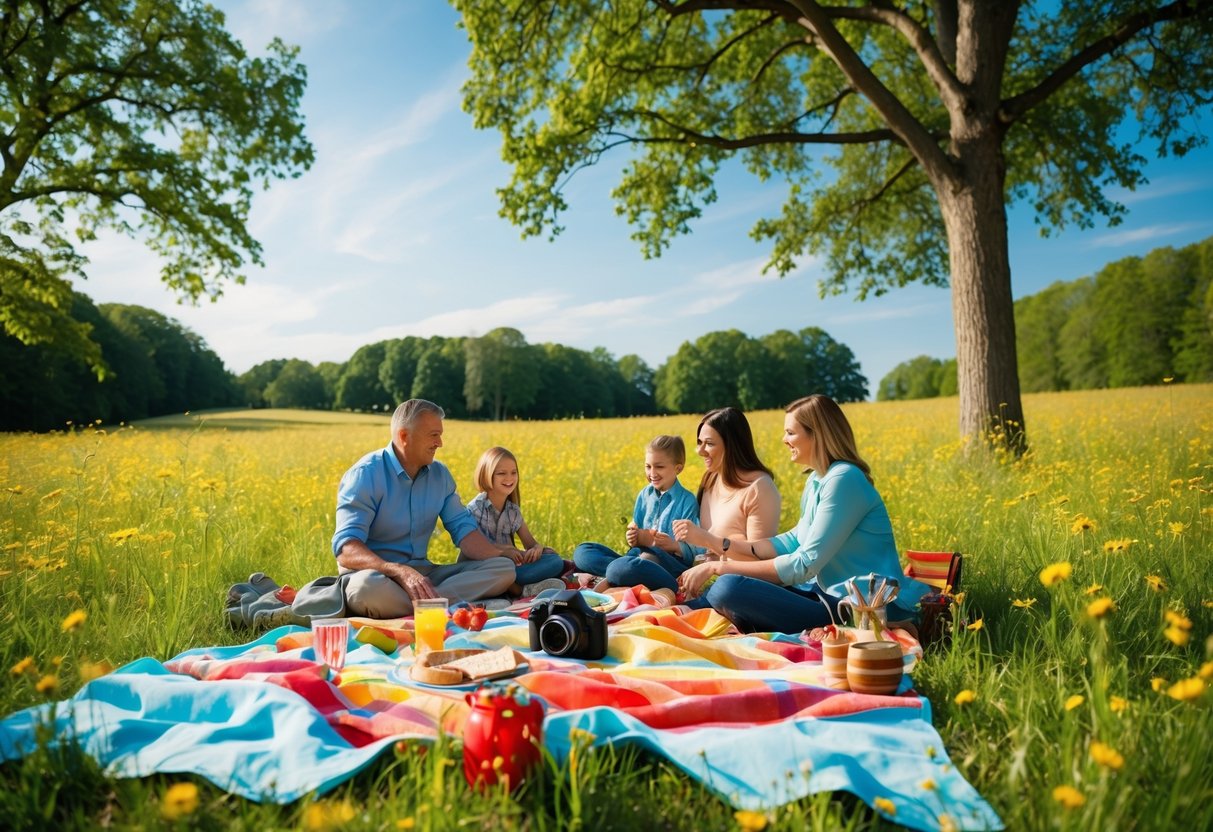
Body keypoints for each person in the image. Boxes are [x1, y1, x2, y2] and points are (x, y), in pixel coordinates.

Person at [674, 394, 931, 633]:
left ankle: (898, 625)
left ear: (816, 435)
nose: (784, 440)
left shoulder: (845, 479)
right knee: (722, 592)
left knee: (728, 588)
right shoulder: (818, 479)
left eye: (790, 432)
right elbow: (793, 541)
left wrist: (720, 567)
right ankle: (680, 613)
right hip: (821, 593)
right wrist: (721, 545)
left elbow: (804, 564)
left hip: (857, 606)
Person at [332, 399, 517, 618]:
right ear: (404, 436)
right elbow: (346, 549)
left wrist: (504, 553)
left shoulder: (440, 476)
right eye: (433, 435)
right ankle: (439, 604)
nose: (440, 443)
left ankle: (422, 605)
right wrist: (398, 571)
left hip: (424, 575)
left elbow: (464, 530)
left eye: (440, 435)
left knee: (503, 569)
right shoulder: (365, 475)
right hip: (375, 576)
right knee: (365, 590)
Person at [571, 435, 701, 593]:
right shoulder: (644, 495)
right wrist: (632, 537)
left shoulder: (687, 500)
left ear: (678, 468)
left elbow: (695, 551)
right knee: (582, 552)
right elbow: (636, 531)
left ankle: (617, 575)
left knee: (643, 561)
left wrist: (673, 545)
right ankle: (619, 573)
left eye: (659, 467)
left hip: (666, 563)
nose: (652, 473)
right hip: (635, 558)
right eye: (648, 466)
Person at [668, 406, 782, 574]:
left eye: (709, 444)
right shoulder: (711, 478)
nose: (700, 451)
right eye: (699, 442)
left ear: (732, 446)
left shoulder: (759, 487)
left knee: (632, 568)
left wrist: (705, 540)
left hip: (733, 583)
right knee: (629, 563)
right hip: (699, 574)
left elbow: (761, 562)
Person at [464, 446, 568, 597]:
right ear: (486, 475)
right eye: (501, 473)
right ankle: (520, 590)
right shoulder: (475, 509)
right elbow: (474, 550)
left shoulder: (513, 511)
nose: (509, 478)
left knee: (554, 560)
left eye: (514, 472)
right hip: (486, 569)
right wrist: (505, 550)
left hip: (514, 569)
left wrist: (536, 549)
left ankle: (517, 586)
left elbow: (530, 543)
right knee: (502, 567)